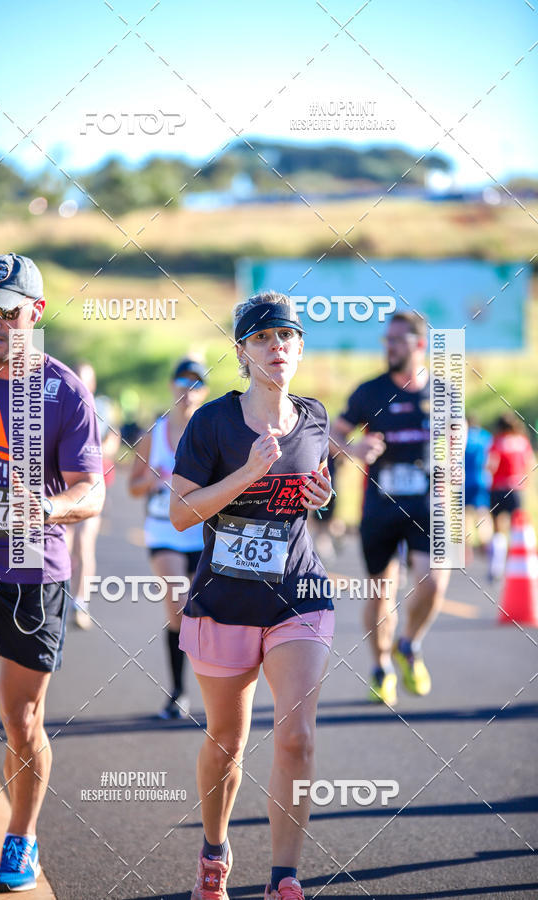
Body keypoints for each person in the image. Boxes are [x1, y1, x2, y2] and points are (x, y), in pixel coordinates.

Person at [0, 253, 104, 892]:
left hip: (33, 564)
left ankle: (22, 836)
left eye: (8, 312)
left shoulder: (64, 391)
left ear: (36, 313)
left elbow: (92, 489)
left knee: (23, 721)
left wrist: (48, 507)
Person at [170, 292, 334, 900]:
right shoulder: (212, 422)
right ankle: (214, 851)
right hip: (225, 603)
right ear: (242, 352)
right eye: (262, 338)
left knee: (296, 736)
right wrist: (245, 474)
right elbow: (181, 513)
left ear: (300, 348)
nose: (276, 347)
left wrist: (323, 498)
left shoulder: (314, 417)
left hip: (299, 593)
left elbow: (314, 490)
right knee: (226, 743)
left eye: (286, 336)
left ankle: (283, 877)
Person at [331, 312, 450, 706]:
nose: (390, 347)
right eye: (387, 340)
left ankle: (408, 645)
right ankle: (381, 667)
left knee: (434, 583)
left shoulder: (443, 393)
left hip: (427, 506)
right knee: (381, 593)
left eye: (398, 340)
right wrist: (355, 448)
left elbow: (456, 444)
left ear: (419, 344)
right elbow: (333, 435)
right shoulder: (369, 392)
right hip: (381, 507)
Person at [129, 357, 208, 718]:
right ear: (172, 386)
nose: (188, 391)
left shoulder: (209, 433)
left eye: (196, 384)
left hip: (202, 534)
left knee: (202, 614)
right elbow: (133, 487)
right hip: (164, 531)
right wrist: (153, 478)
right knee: (178, 605)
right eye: (182, 382)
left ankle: (213, 690)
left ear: (204, 391)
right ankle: (178, 691)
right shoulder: (154, 434)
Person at [66, 361, 120, 629]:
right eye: (76, 377)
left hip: (91, 487)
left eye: (86, 379)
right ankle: (58, 597)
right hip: (62, 488)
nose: (81, 383)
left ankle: (80, 604)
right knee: (63, 545)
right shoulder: (60, 404)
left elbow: (113, 442)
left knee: (84, 542)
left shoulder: (103, 408)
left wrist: (92, 451)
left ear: (93, 383)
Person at [486, 413, 534, 580]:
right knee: (517, 527)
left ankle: (496, 567)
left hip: (498, 488)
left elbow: (491, 465)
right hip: (516, 489)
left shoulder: (497, 442)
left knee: (498, 528)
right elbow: (529, 463)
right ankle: (518, 564)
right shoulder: (522, 442)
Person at [464, 414, 493, 563]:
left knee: (465, 515)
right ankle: (486, 544)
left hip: (463, 480)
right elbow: (491, 459)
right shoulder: (485, 437)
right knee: (482, 512)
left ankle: (467, 549)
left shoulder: (461, 437)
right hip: (482, 479)